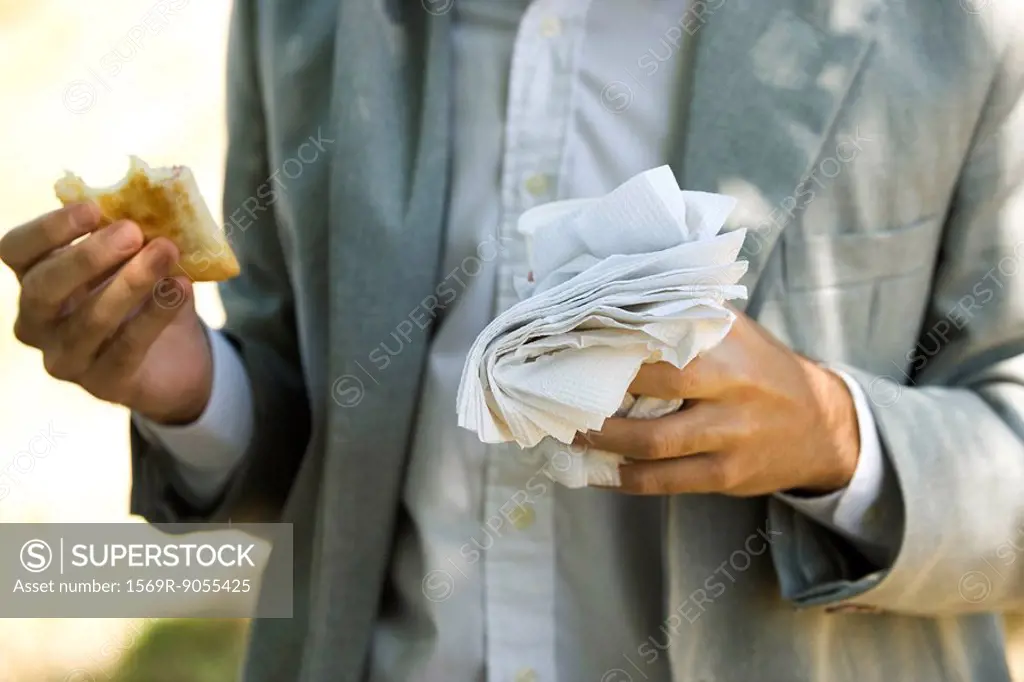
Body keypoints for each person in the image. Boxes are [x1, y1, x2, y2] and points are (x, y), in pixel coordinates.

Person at [3, 0, 1024, 680]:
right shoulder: (302, 16)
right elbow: (306, 421)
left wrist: (836, 437)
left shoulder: (957, 25)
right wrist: (192, 386)